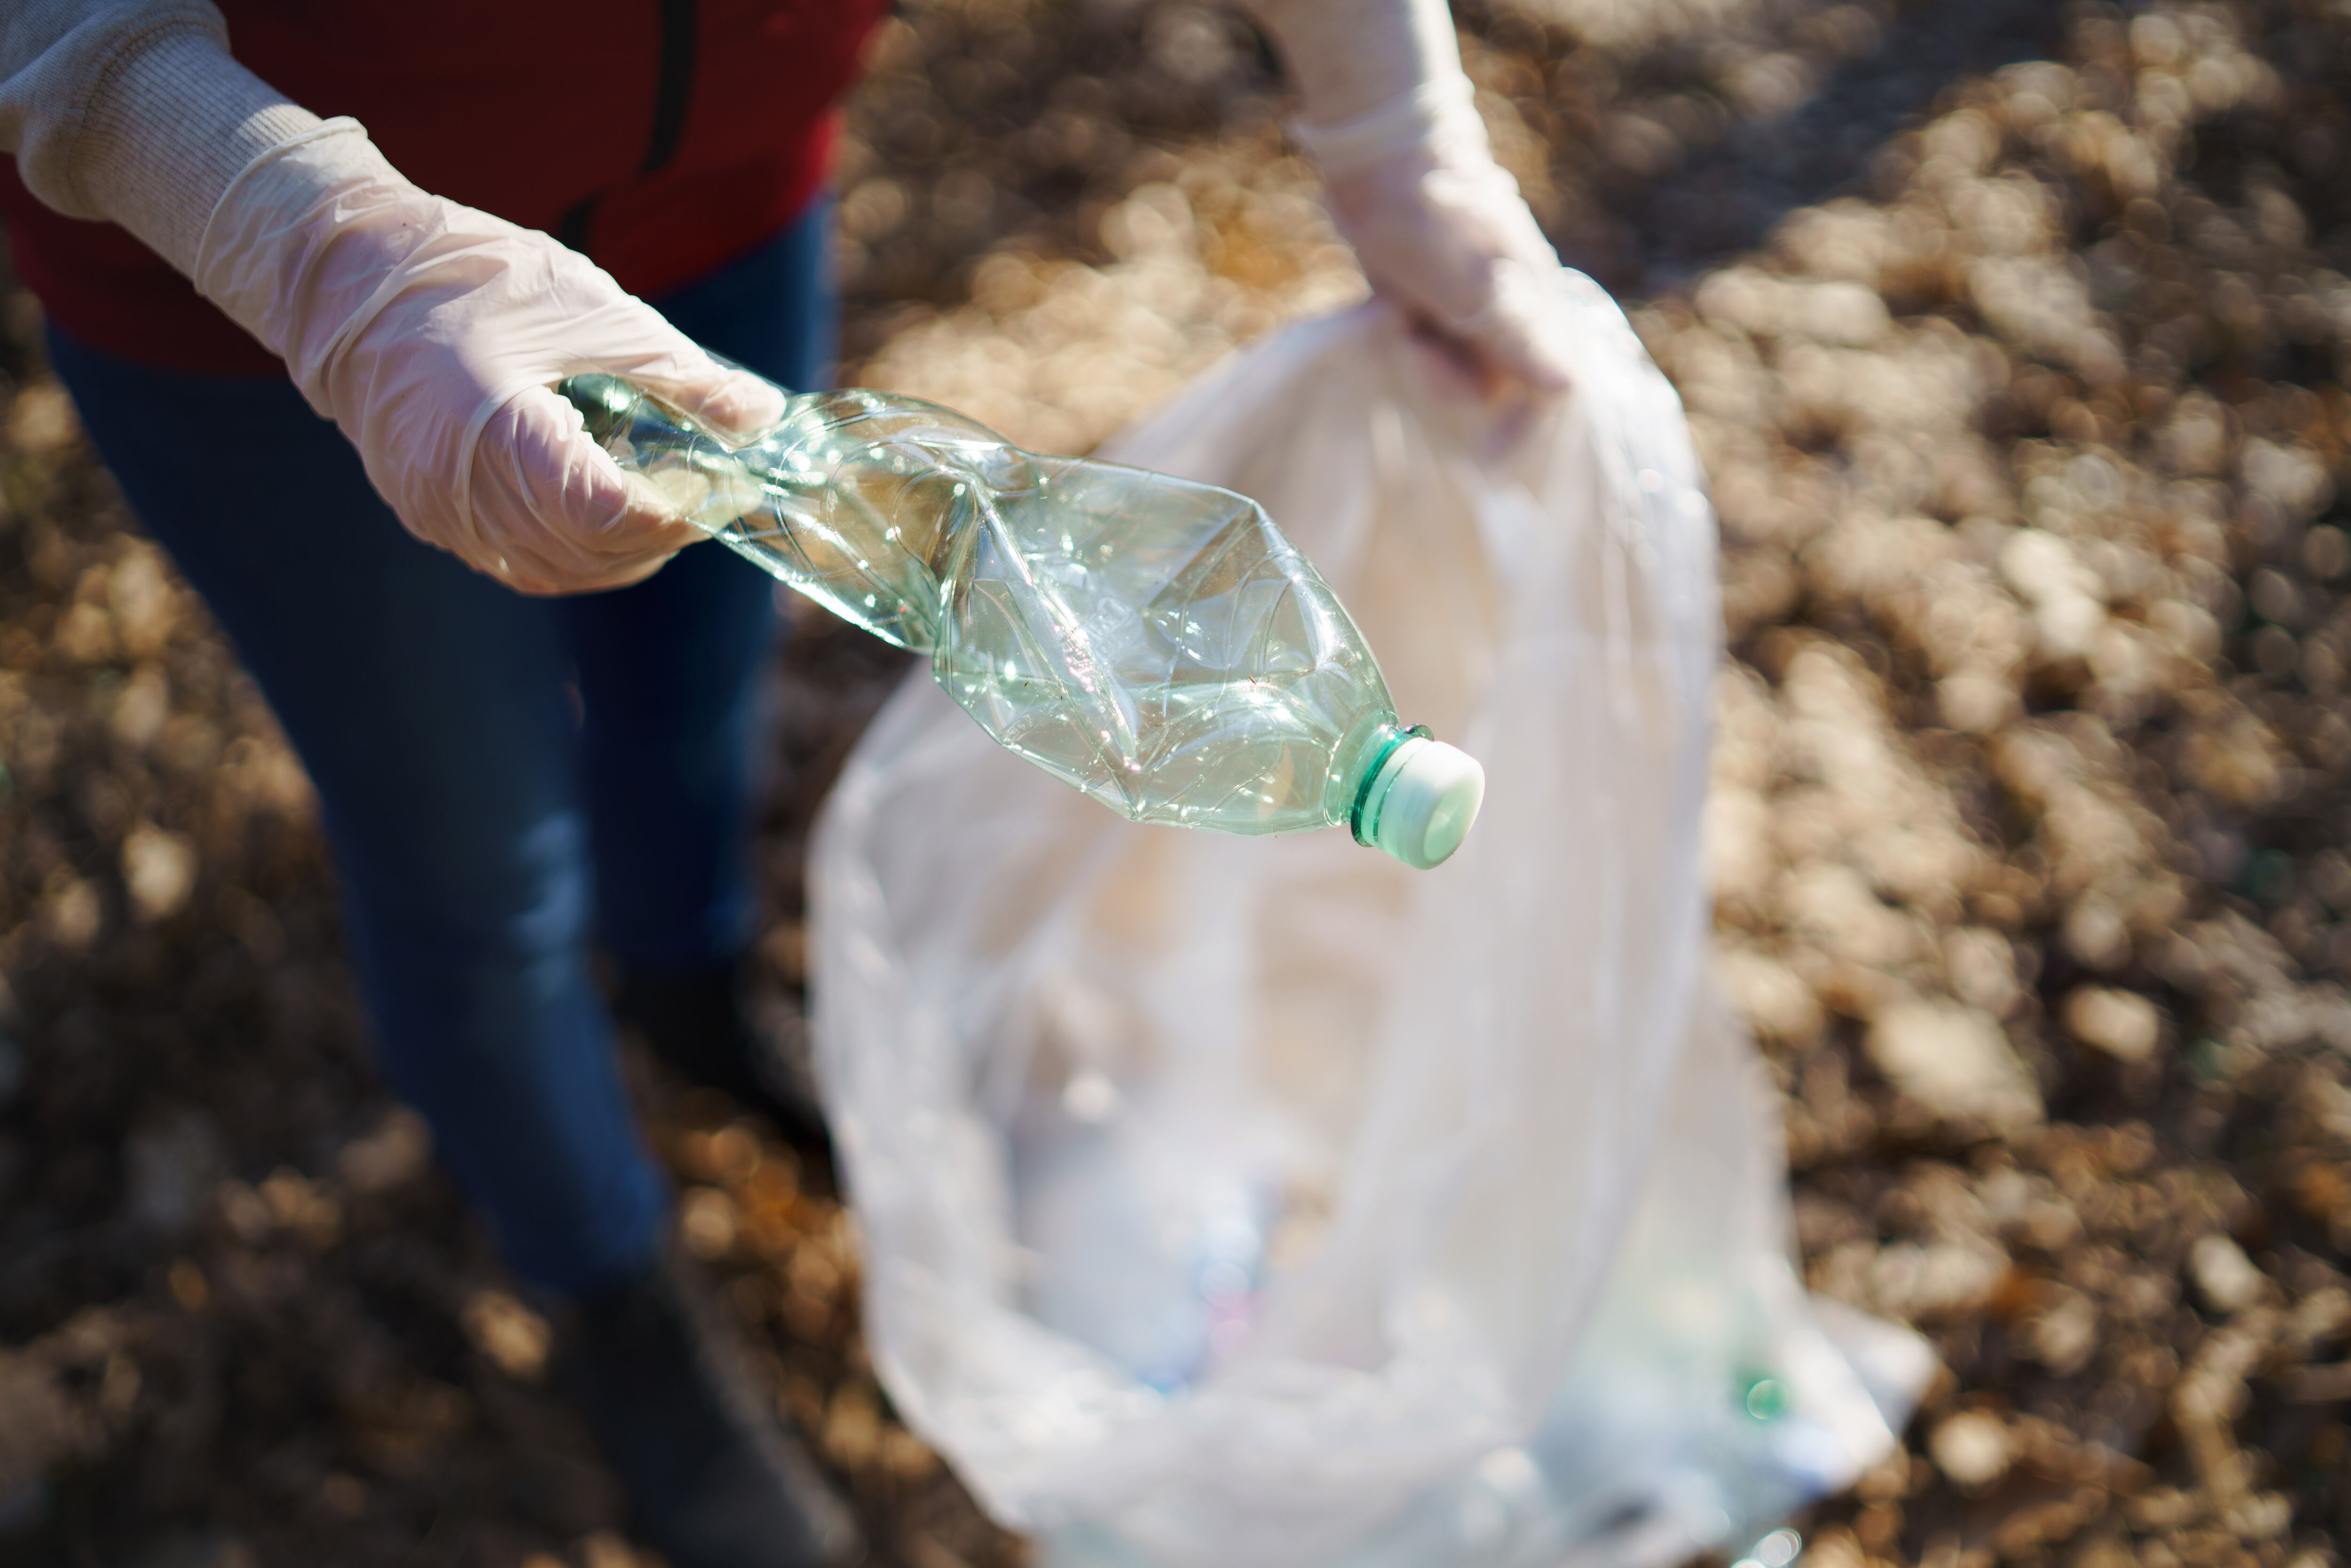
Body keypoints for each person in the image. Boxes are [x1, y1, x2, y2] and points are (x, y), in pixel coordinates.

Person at [0, 1, 1576, 1562]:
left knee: (695, 705)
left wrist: (1395, 140)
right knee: (477, 866)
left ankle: (691, 989)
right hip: (250, 294)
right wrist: (315, 243)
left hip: (731, 186)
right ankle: (611, 1286)